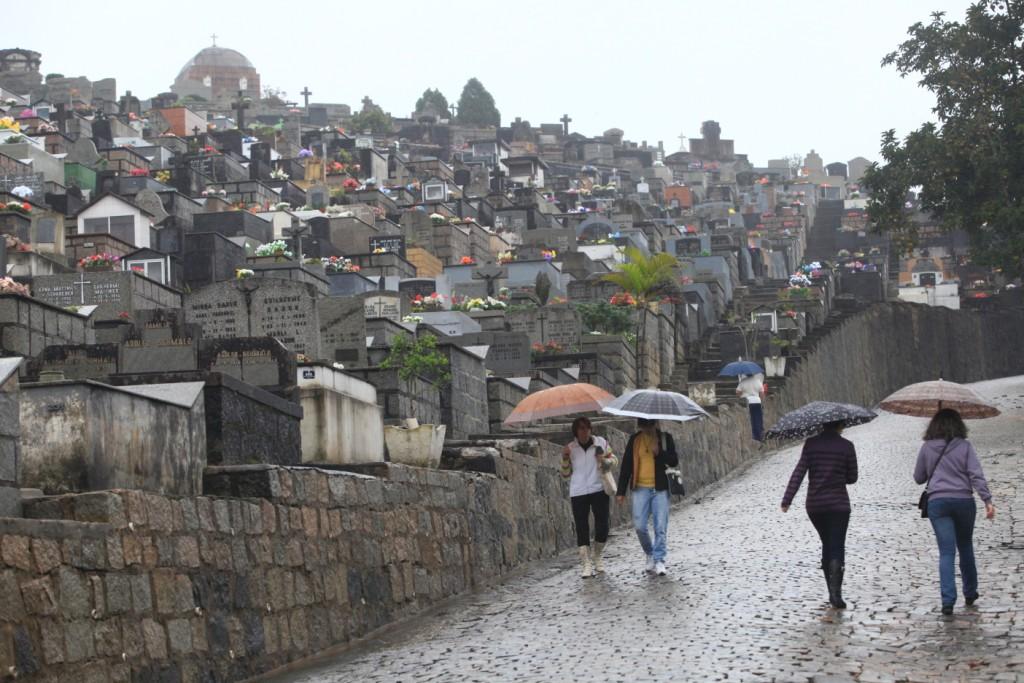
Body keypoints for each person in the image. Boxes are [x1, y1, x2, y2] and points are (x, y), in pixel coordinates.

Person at [913, 408, 995, 615]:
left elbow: (918, 478)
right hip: (964, 501)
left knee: (946, 552)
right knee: (965, 546)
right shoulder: (965, 446)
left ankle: (948, 601)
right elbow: (976, 475)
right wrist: (987, 499)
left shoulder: (927, 447)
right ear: (959, 425)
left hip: (938, 503)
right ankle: (970, 592)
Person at [781, 420, 858, 608]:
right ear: (841, 424)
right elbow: (852, 478)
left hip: (816, 506)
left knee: (827, 543)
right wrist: (838, 473)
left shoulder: (811, 444)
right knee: (837, 546)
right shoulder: (847, 446)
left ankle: (831, 591)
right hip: (839, 505)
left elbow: (799, 472)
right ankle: (836, 594)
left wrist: (787, 499)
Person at [615, 418, 678, 576]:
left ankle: (659, 559)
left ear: (655, 424)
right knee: (639, 526)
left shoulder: (665, 438)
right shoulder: (635, 440)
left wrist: (659, 453)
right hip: (640, 488)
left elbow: (674, 461)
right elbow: (626, 466)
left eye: (650, 425)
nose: (647, 429)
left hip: (660, 489)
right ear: (640, 426)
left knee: (660, 527)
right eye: (644, 426)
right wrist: (621, 491)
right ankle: (649, 553)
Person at [561, 417, 614, 578]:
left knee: (603, 525)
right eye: (581, 428)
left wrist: (603, 460)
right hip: (578, 492)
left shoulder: (601, 443)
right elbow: (565, 474)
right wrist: (565, 458)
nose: (584, 431)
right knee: (581, 527)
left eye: (587, 428)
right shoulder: (570, 448)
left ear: (591, 429)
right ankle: (586, 564)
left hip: (599, 488)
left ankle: (597, 555)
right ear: (576, 431)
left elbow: (614, 460)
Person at [736, 372, 766, 441]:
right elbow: (762, 393)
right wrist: (761, 401)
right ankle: (760, 435)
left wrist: (741, 395)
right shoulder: (757, 381)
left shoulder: (743, 382)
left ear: (746, 374)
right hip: (757, 401)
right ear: (753, 374)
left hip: (748, 402)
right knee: (758, 418)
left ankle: (754, 436)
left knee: (752, 419)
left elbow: (737, 392)